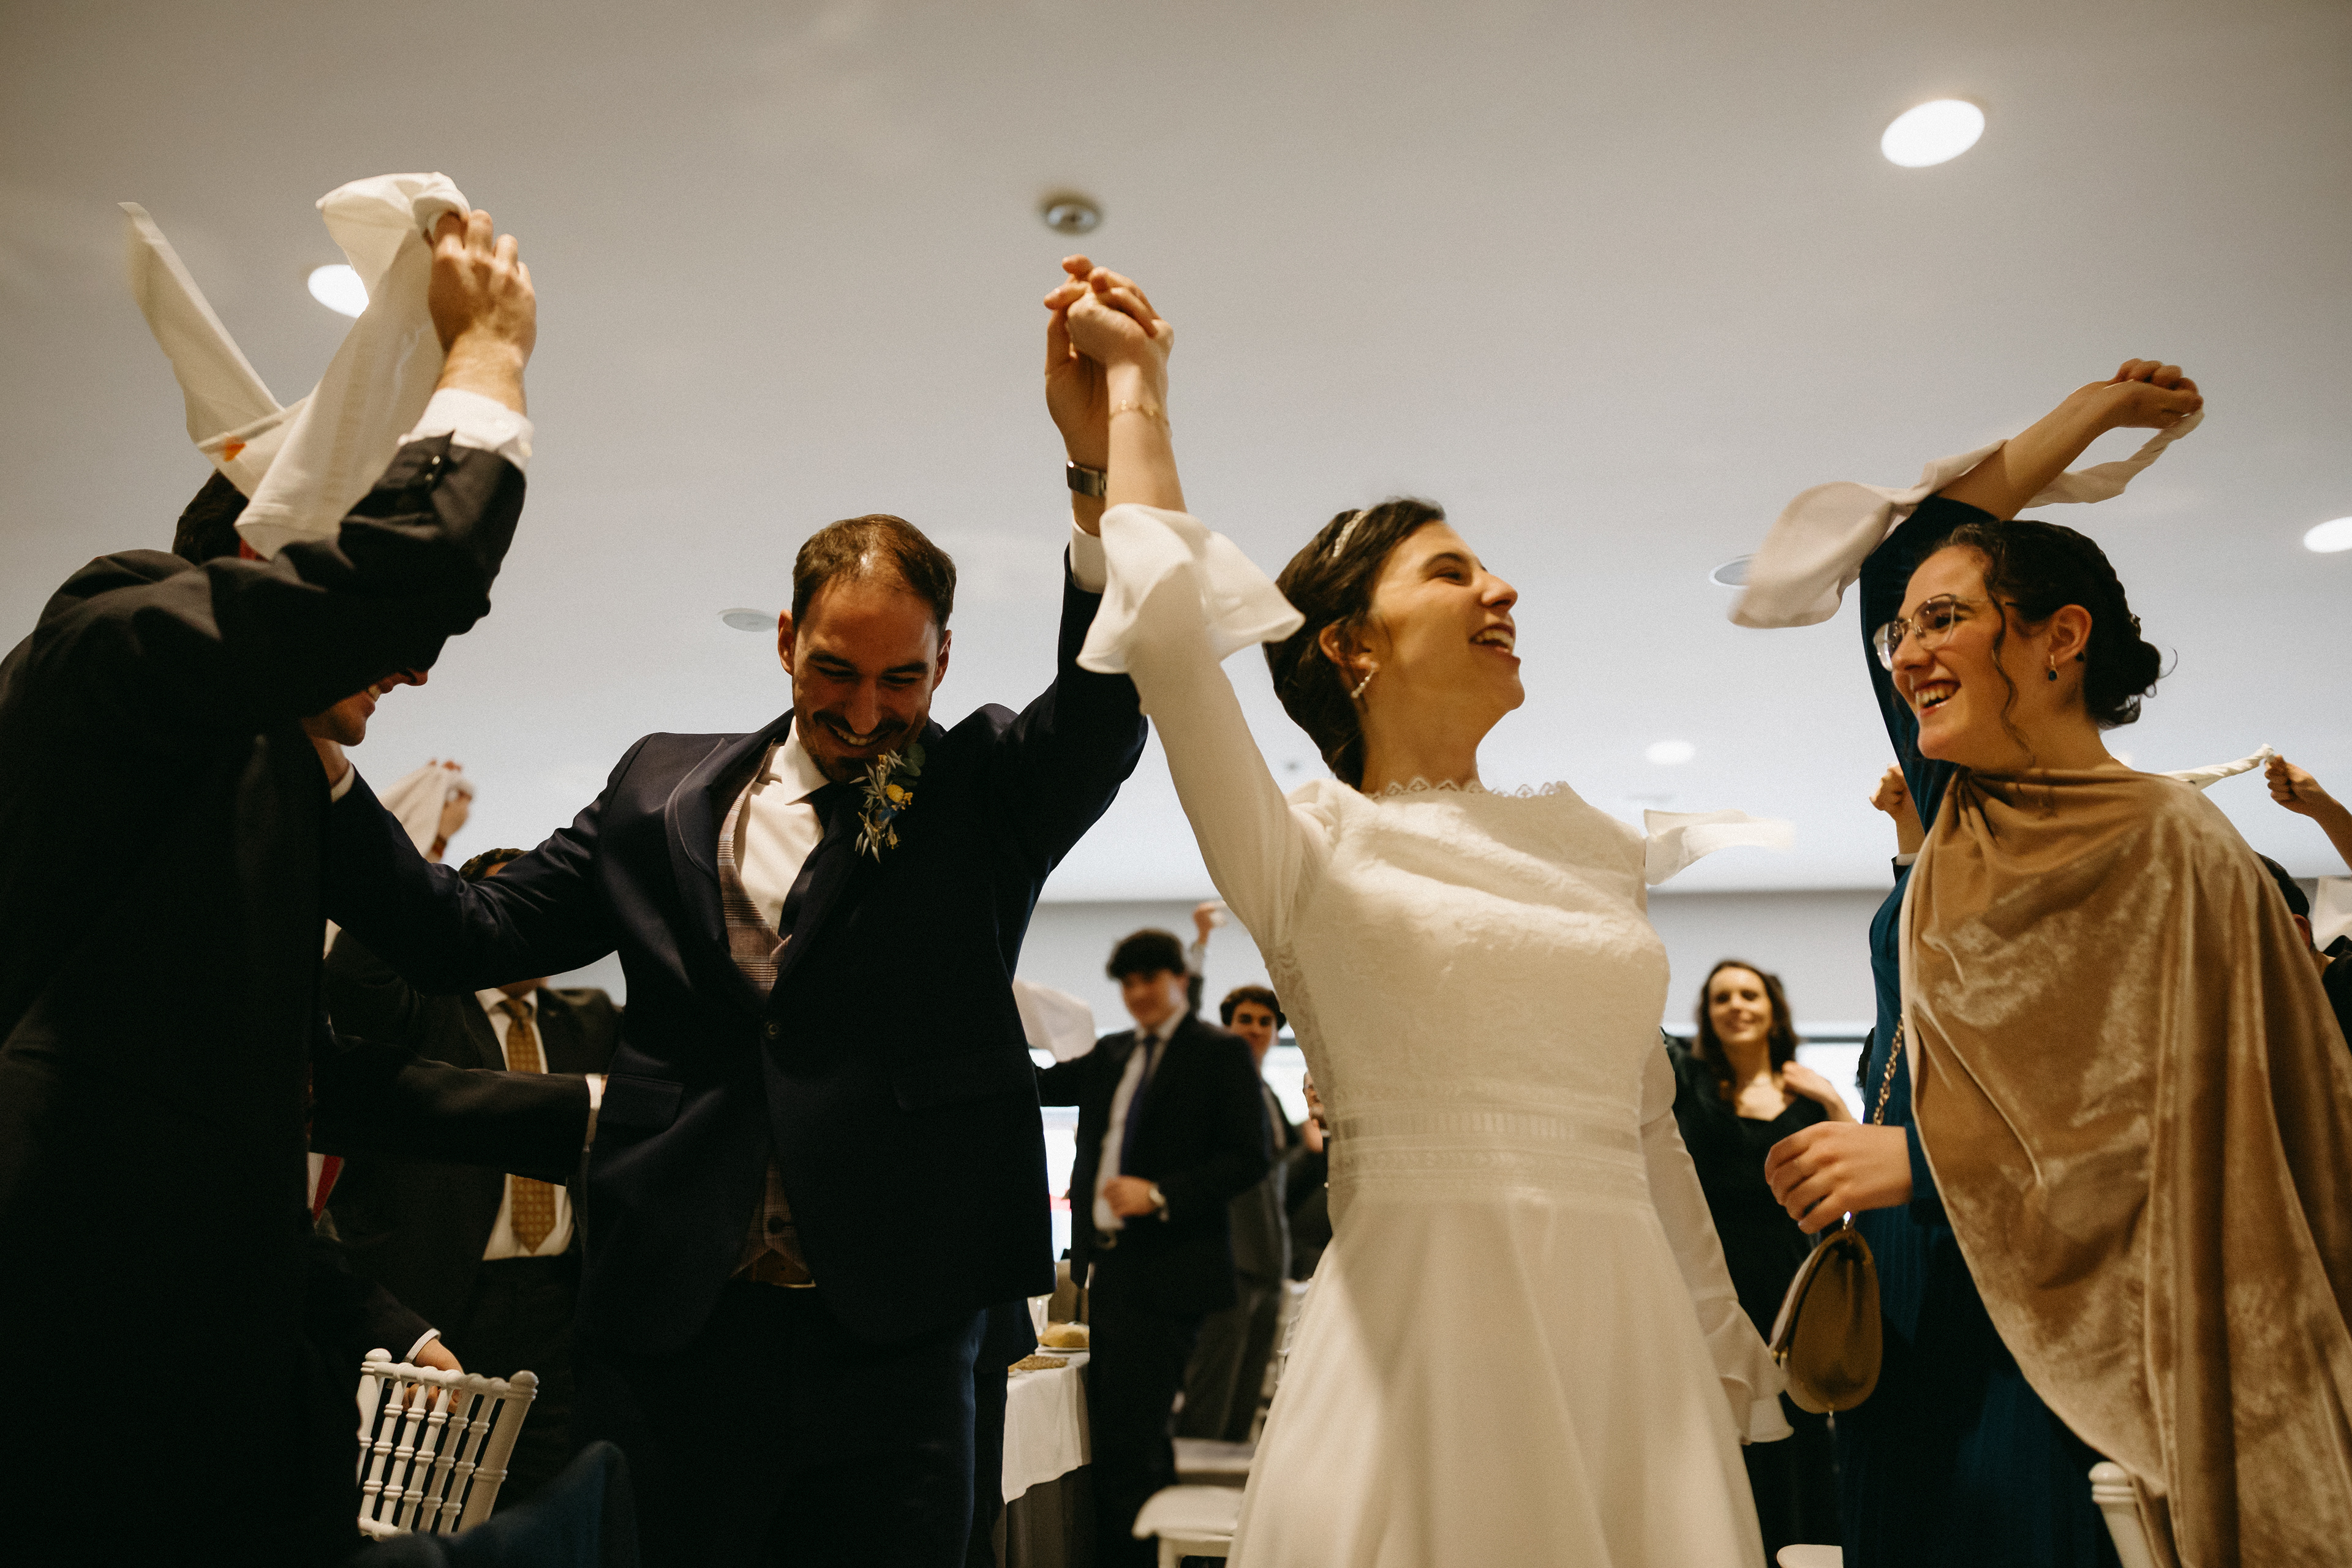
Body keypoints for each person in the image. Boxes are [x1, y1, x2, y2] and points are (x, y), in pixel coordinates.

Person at [319, 293, 1152, 1567]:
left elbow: (1100, 709)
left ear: (942, 664)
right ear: (784, 642)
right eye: (835, 671)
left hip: (899, 1330)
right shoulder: (658, 787)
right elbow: (466, 930)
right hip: (676, 1321)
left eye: (902, 679)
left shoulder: (979, 790)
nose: (866, 714)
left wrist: (1098, 481)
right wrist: (328, 781)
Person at [1049, 255, 1789, 1566]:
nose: (1502, 591)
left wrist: (1725, 1350)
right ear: (1352, 642)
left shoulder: (1593, 848)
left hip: (1627, 1346)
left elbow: (1650, 1136)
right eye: (1453, 572)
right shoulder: (1306, 850)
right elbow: (1166, 639)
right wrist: (1134, 400)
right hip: (1425, 1344)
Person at [0, 208, 592, 1564]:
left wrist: (607, 1117)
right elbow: (401, 587)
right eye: (384, 629)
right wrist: (487, 360)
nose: (417, 670)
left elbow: (307, 1081)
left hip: (228, 1364)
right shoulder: (112, 638)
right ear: (280, 569)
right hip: (81, 1343)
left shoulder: (273, 763)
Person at [1756, 362, 2352, 1564]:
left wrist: (1923, 1164)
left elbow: (2215, 1133)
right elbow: (1903, 544)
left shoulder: (2176, 845)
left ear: (2059, 640)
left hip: (2077, 1340)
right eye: (1900, 631)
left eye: (1945, 621)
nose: (1905, 654)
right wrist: (2088, 412)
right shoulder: (1963, 810)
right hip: (1917, 1309)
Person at [326, 846, 625, 1504]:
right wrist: (420, 861)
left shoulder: (590, 1016)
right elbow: (354, 972)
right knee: (414, 1495)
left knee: (546, 1498)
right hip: (434, 1290)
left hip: (555, 1301)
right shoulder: (425, 1005)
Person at [1034, 928, 1271, 1567]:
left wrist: (1161, 1193)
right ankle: (1148, 1553)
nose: (1139, 993)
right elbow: (1040, 1086)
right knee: (1124, 1431)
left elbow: (1249, 1156)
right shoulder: (1114, 1053)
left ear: (1179, 981)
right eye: (1129, 982)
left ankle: (1128, 1559)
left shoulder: (1218, 1054)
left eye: (1151, 979)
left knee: (1130, 1436)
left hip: (1171, 1266)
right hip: (1110, 1265)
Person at [1668, 960, 1848, 1562]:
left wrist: (1833, 1101)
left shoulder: (1811, 1099)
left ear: (1773, 1010)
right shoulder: (1688, 1088)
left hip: (1795, 1289)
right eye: (1722, 997)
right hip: (1713, 1290)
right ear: (1707, 1014)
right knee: (1722, 1433)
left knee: (1801, 1438)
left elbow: (1846, 1193)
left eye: (1749, 994)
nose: (1736, 1005)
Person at [1178, 948, 1300, 1444]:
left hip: (1271, 1259)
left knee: (1248, 1390)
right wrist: (1202, 945)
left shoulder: (1269, 1095)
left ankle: (1228, 1482)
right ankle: (1192, 1478)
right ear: (1227, 1027)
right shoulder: (1212, 1086)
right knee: (1213, 1385)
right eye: (1245, 1020)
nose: (1255, 1028)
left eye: (1265, 1022)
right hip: (1229, 1257)